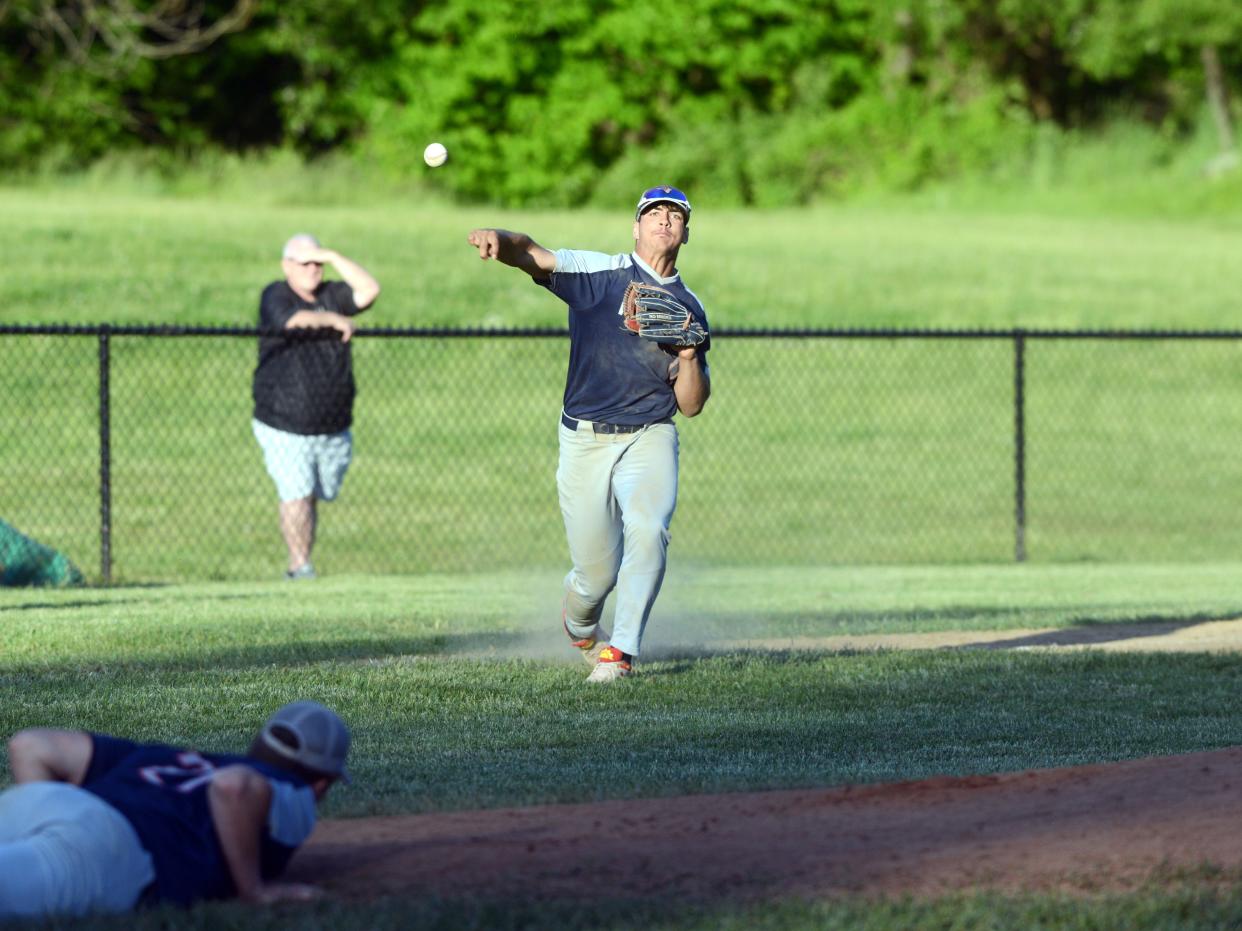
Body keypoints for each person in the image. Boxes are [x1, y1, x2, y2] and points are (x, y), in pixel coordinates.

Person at [467, 185, 711, 683]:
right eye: (653, 212)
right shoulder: (600, 273)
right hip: (585, 438)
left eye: (675, 215)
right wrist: (500, 238)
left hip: (649, 432)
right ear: (636, 226)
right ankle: (580, 626)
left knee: (649, 527)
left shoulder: (690, 305)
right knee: (595, 576)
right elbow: (532, 253)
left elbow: (691, 405)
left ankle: (620, 653)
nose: (664, 220)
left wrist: (688, 356)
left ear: (686, 233)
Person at [0, 699, 350, 917]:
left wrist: (47, 830)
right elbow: (234, 787)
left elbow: (31, 746)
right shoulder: (296, 791)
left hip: (37, 805)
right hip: (107, 848)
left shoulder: (175, 757)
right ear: (322, 784)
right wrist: (253, 890)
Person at [251, 234, 381, 580]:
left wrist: (334, 255)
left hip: (332, 422)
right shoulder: (276, 294)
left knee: (317, 493)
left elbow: (369, 291)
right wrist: (333, 321)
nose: (312, 269)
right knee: (297, 492)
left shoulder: (332, 295)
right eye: (304, 262)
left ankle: (302, 561)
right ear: (286, 266)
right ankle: (300, 566)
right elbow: (290, 321)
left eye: (317, 263)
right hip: (284, 419)